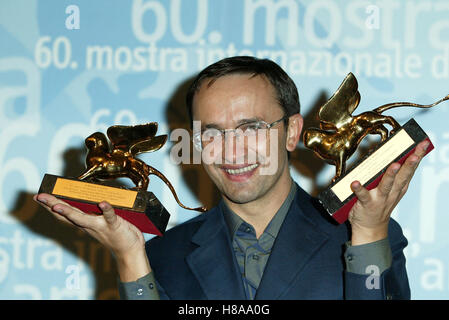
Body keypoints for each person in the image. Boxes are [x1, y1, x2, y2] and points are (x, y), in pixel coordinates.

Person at [34, 56, 429, 300]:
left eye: (251, 127)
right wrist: (129, 256)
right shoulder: (161, 257)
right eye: (211, 133)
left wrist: (370, 236)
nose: (231, 151)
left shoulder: (366, 235)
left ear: (292, 132)